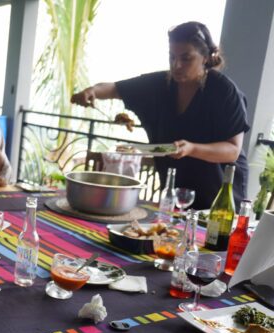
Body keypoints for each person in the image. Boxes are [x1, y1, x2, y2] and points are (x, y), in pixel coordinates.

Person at [71, 21, 250, 210]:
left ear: (205, 57)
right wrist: (92, 91)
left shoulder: (223, 91)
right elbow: (115, 88)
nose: (177, 65)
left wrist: (191, 148)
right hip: (175, 192)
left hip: (219, 197)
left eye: (186, 58)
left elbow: (232, 150)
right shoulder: (160, 84)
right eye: (172, 57)